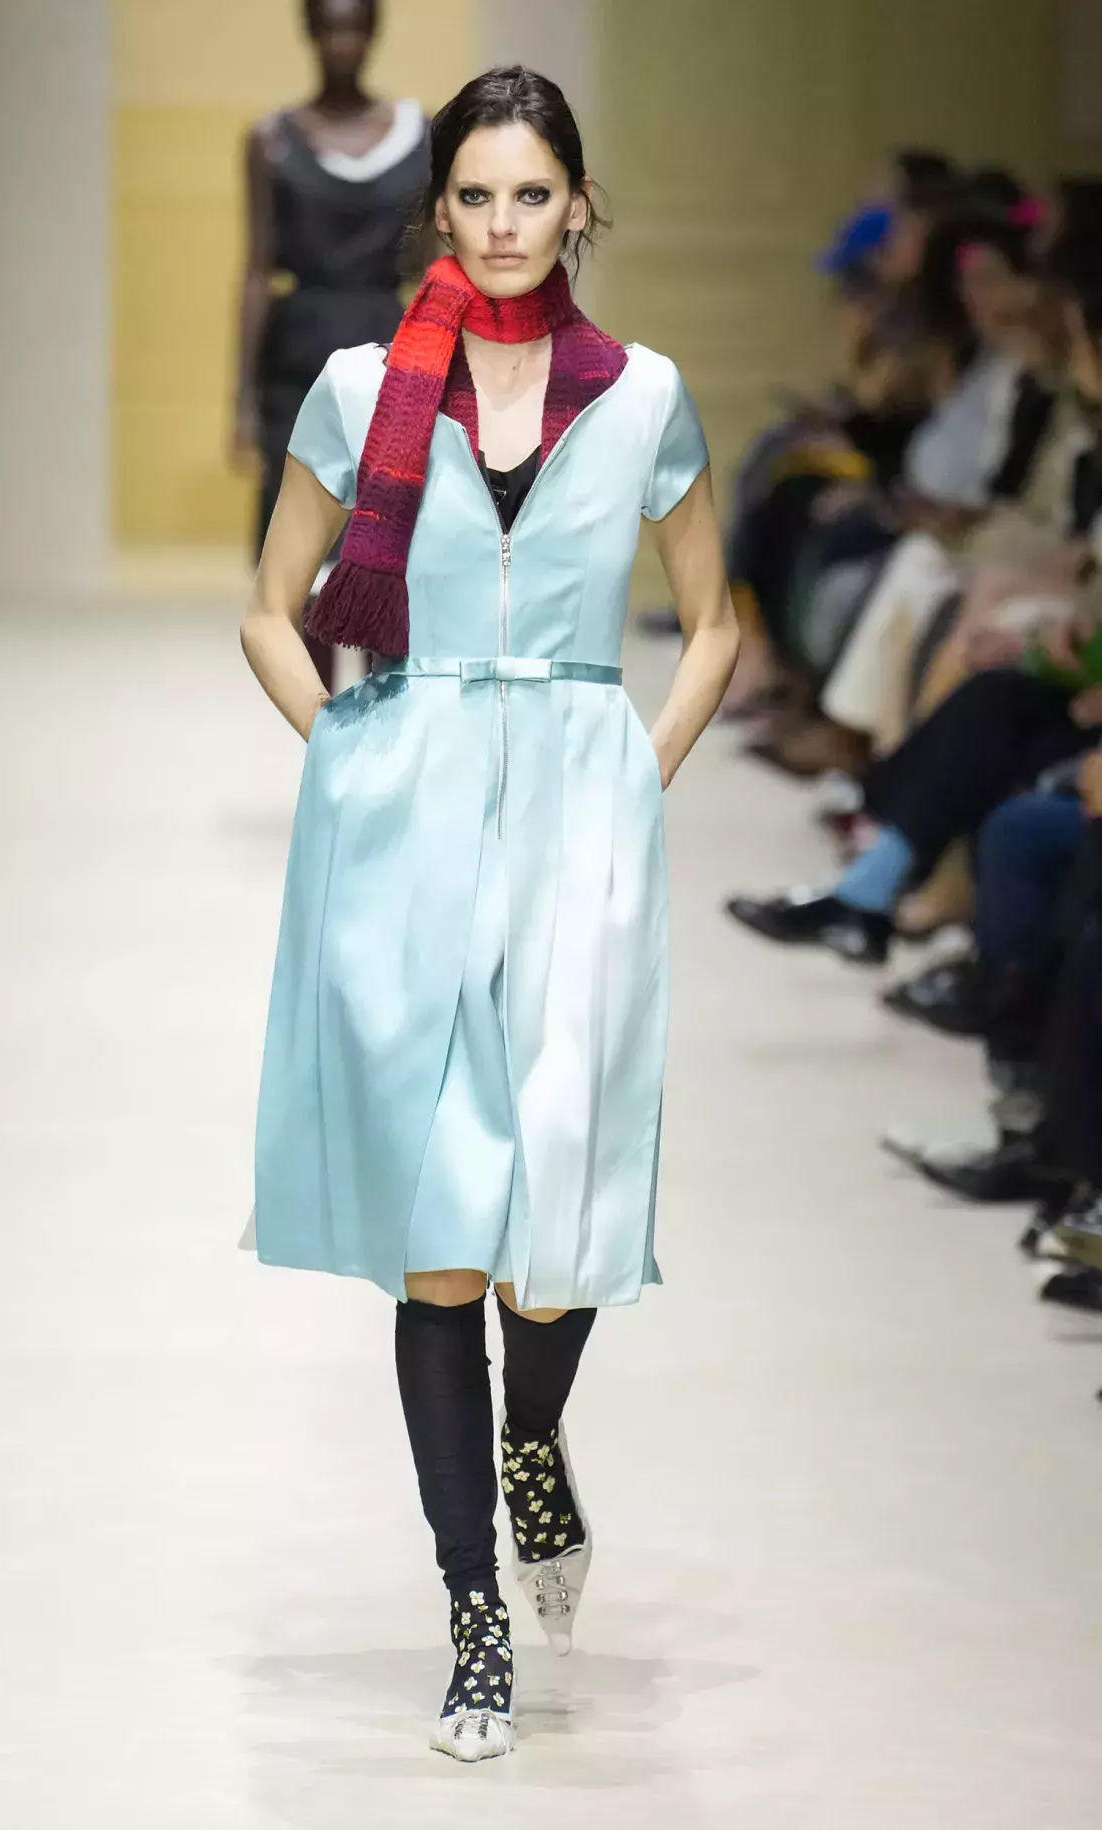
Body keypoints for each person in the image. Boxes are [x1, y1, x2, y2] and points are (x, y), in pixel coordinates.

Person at [240, 66, 738, 1763]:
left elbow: (716, 621)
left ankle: (538, 1440)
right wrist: (352, 761)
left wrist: (637, 776)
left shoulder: (643, 396)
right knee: (446, 1236)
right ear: (437, 207)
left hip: (582, 832)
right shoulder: (360, 388)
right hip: (413, 836)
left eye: (534, 194)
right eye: (477, 195)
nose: (506, 224)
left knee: (564, 1216)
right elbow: (271, 609)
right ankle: (473, 1617)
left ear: (577, 205)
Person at [232, 0, 429, 692]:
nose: (342, 41)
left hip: (391, 350)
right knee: (300, 553)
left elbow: (433, 262)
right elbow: (256, 269)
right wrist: (241, 402)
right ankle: (321, 729)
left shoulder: (418, 137)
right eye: (330, 26)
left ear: (373, 32)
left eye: (355, 26)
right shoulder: (272, 140)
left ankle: (385, 722)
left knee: (387, 545)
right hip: (299, 358)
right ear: (309, 32)